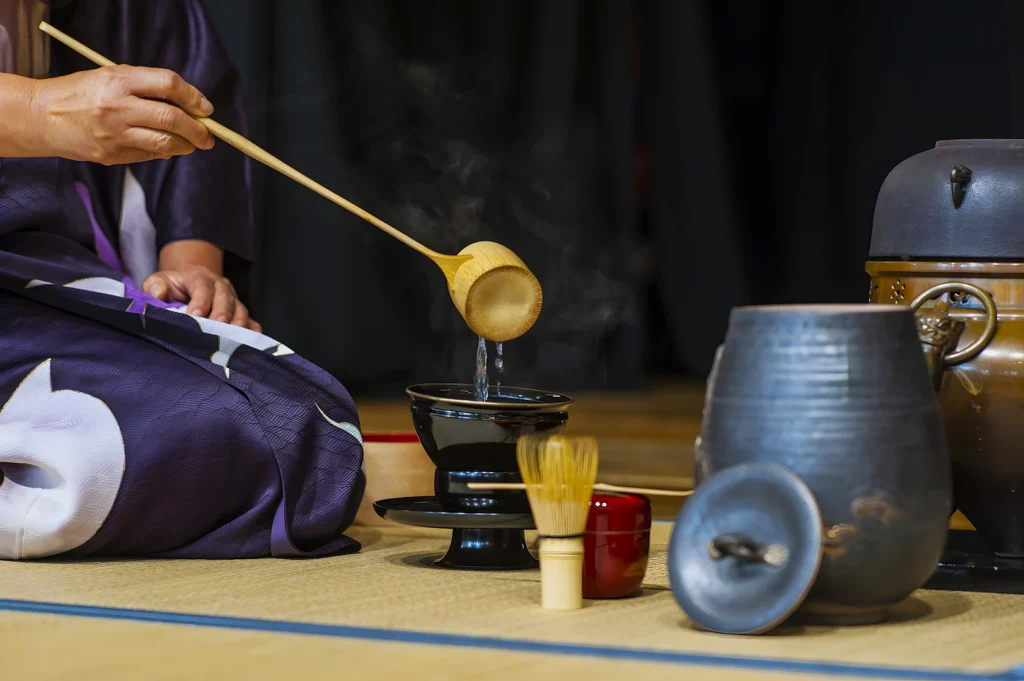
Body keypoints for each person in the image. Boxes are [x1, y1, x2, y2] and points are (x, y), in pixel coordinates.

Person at [0, 0, 364, 560]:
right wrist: (34, 110)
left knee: (297, 423)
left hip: (43, 276)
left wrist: (191, 270)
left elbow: (187, 111)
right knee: (124, 445)